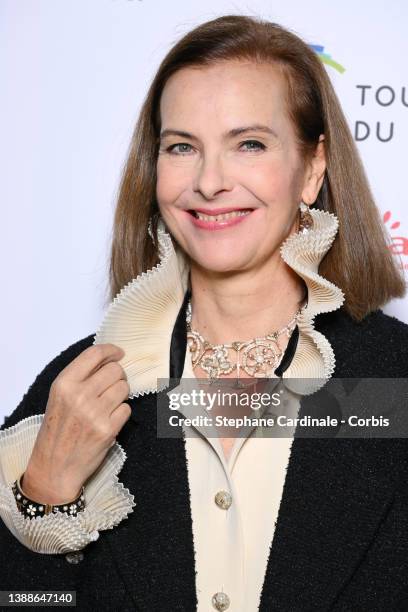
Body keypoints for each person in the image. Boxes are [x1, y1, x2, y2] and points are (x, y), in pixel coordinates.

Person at [1, 14, 408, 612]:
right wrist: (46, 497)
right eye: (182, 147)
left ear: (313, 167)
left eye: (249, 144)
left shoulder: (392, 379)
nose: (210, 181)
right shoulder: (86, 383)